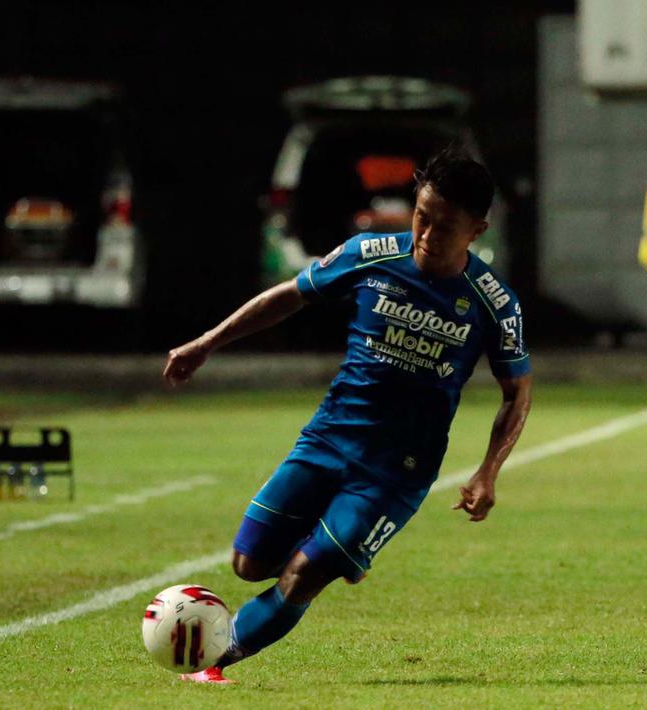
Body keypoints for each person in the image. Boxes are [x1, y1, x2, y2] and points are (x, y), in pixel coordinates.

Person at [162, 150, 532, 683]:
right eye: (421, 216)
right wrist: (206, 343)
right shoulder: (371, 254)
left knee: (305, 571)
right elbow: (289, 296)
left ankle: (219, 658)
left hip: (396, 472)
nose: (426, 234)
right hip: (327, 441)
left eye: (444, 226)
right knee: (248, 565)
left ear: (477, 230)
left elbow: (517, 391)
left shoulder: (493, 303)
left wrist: (488, 471)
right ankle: (340, 544)